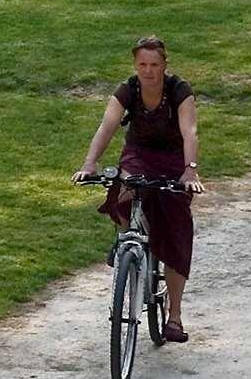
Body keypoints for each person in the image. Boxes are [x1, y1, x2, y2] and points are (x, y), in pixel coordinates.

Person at [74, 33, 203, 338]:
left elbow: (190, 132)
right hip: (139, 154)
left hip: (173, 160)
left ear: (164, 65)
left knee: (175, 233)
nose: (148, 70)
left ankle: (174, 317)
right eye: (142, 64)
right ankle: (126, 240)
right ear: (135, 64)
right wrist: (89, 163)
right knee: (123, 186)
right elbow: (107, 126)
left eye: (154, 64)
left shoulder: (179, 91)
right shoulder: (127, 90)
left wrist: (190, 171)